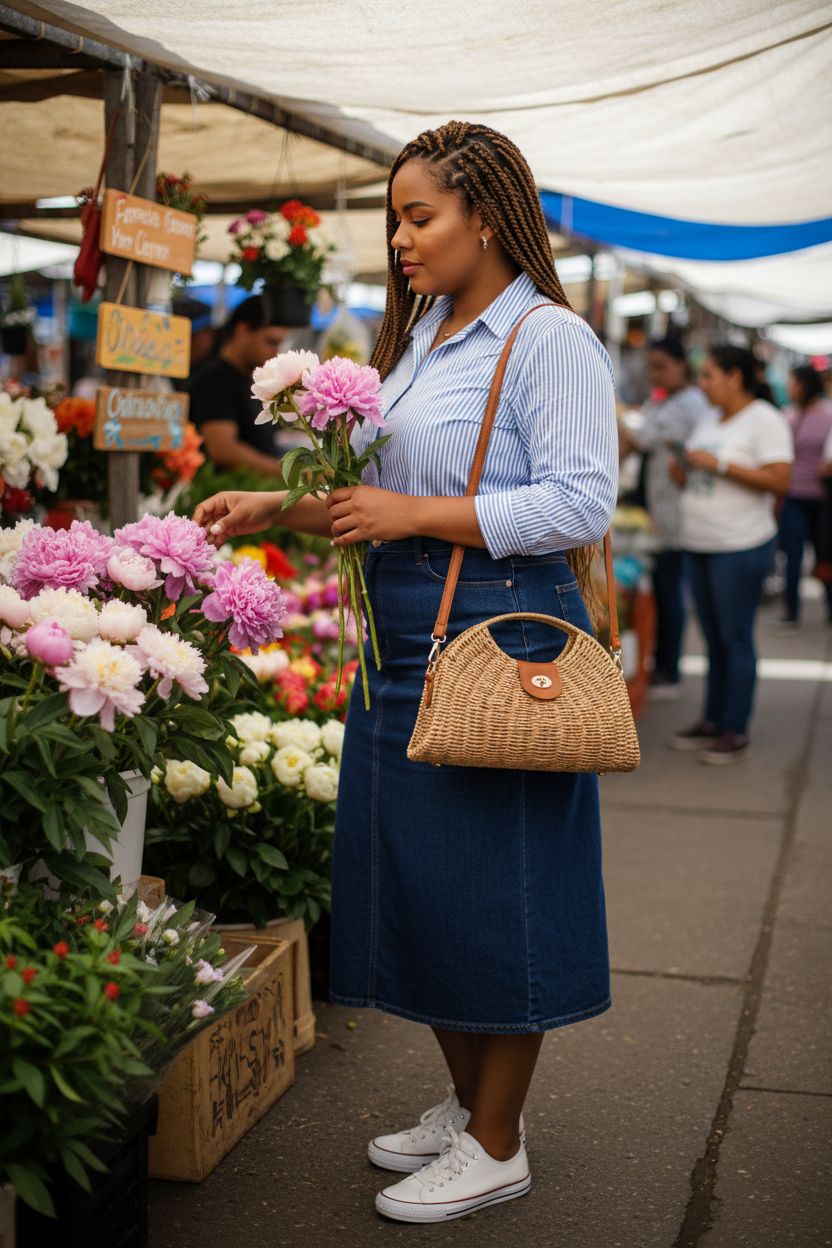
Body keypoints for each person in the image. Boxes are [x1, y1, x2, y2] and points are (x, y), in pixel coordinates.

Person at [194, 120, 618, 1225]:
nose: (398, 241)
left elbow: (579, 502)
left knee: (498, 881)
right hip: (407, 624)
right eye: (395, 217)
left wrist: (413, 515)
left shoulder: (546, 341)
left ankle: (497, 1141)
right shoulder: (429, 331)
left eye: (417, 216)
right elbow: (377, 482)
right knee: (422, 876)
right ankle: (467, 1100)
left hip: (500, 628)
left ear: (486, 215)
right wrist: (275, 503)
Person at [671, 346, 793, 764]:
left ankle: (735, 728)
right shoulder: (708, 417)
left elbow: (780, 480)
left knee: (735, 638)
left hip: (740, 545)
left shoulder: (765, 419)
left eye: (708, 375)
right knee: (711, 639)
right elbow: (700, 472)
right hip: (700, 542)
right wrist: (684, 471)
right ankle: (713, 718)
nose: (701, 384)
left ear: (735, 376)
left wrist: (719, 465)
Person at [619, 337, 712, 696]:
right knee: (659, 591)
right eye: (652, 367)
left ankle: (669, 667)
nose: (656, 375)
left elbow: (638, 439)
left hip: (672, 514)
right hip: (654, 509)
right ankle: (661, 662)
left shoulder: (689, 404)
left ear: (681, 365)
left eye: (662, 367)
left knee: (669, 591)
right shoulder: (664, 400)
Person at [188, 296, 288, 477]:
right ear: (242, 331)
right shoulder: (214, 379)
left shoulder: (251, 380)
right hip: (226, 497)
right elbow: (223, 450)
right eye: (271, 342)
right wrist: (290, 472)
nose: (276, 353)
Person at [777, 365, 832, 626]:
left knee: (825, 553)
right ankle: (791, 609)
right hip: (794, 494)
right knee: (793, 555)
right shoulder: (787, 415)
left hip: (823, 497)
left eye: (793, 383)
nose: (790, 388)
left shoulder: (828, 413)